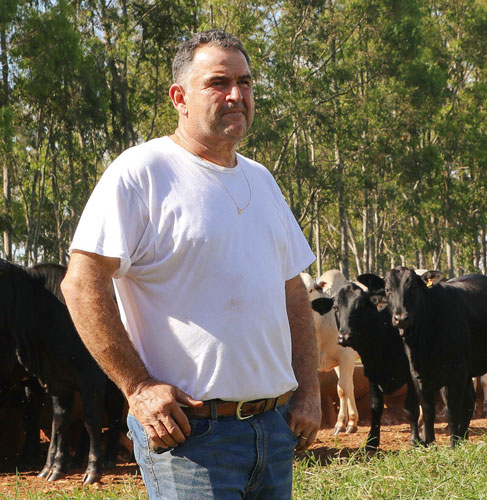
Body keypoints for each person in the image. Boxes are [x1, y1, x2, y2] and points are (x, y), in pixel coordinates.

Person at [59, 29, 320, 499]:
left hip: (274, 431)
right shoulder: (141, 172)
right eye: (218, 83)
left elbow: (292, 291)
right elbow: (81, 285)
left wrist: (308, 392)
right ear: (180, 97)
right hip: (190, 439)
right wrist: (138, 387)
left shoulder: (262, 181)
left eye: (244, 81)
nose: (236, 94)